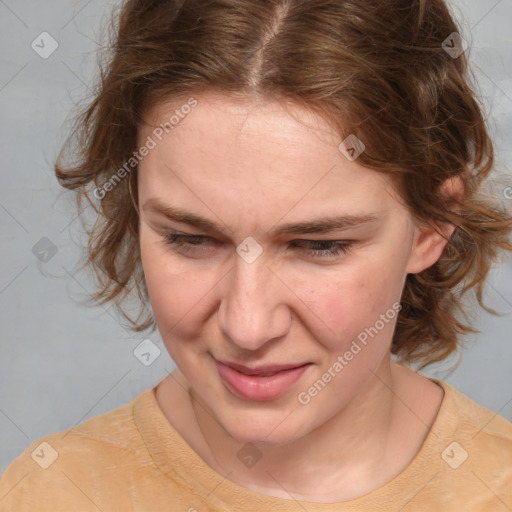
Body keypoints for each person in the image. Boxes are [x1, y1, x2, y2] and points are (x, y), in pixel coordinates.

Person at [1, 0, 511, 510]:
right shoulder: (51, 493)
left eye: (319, 245)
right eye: (190, 238)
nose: (247, 327)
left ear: (431, 226)